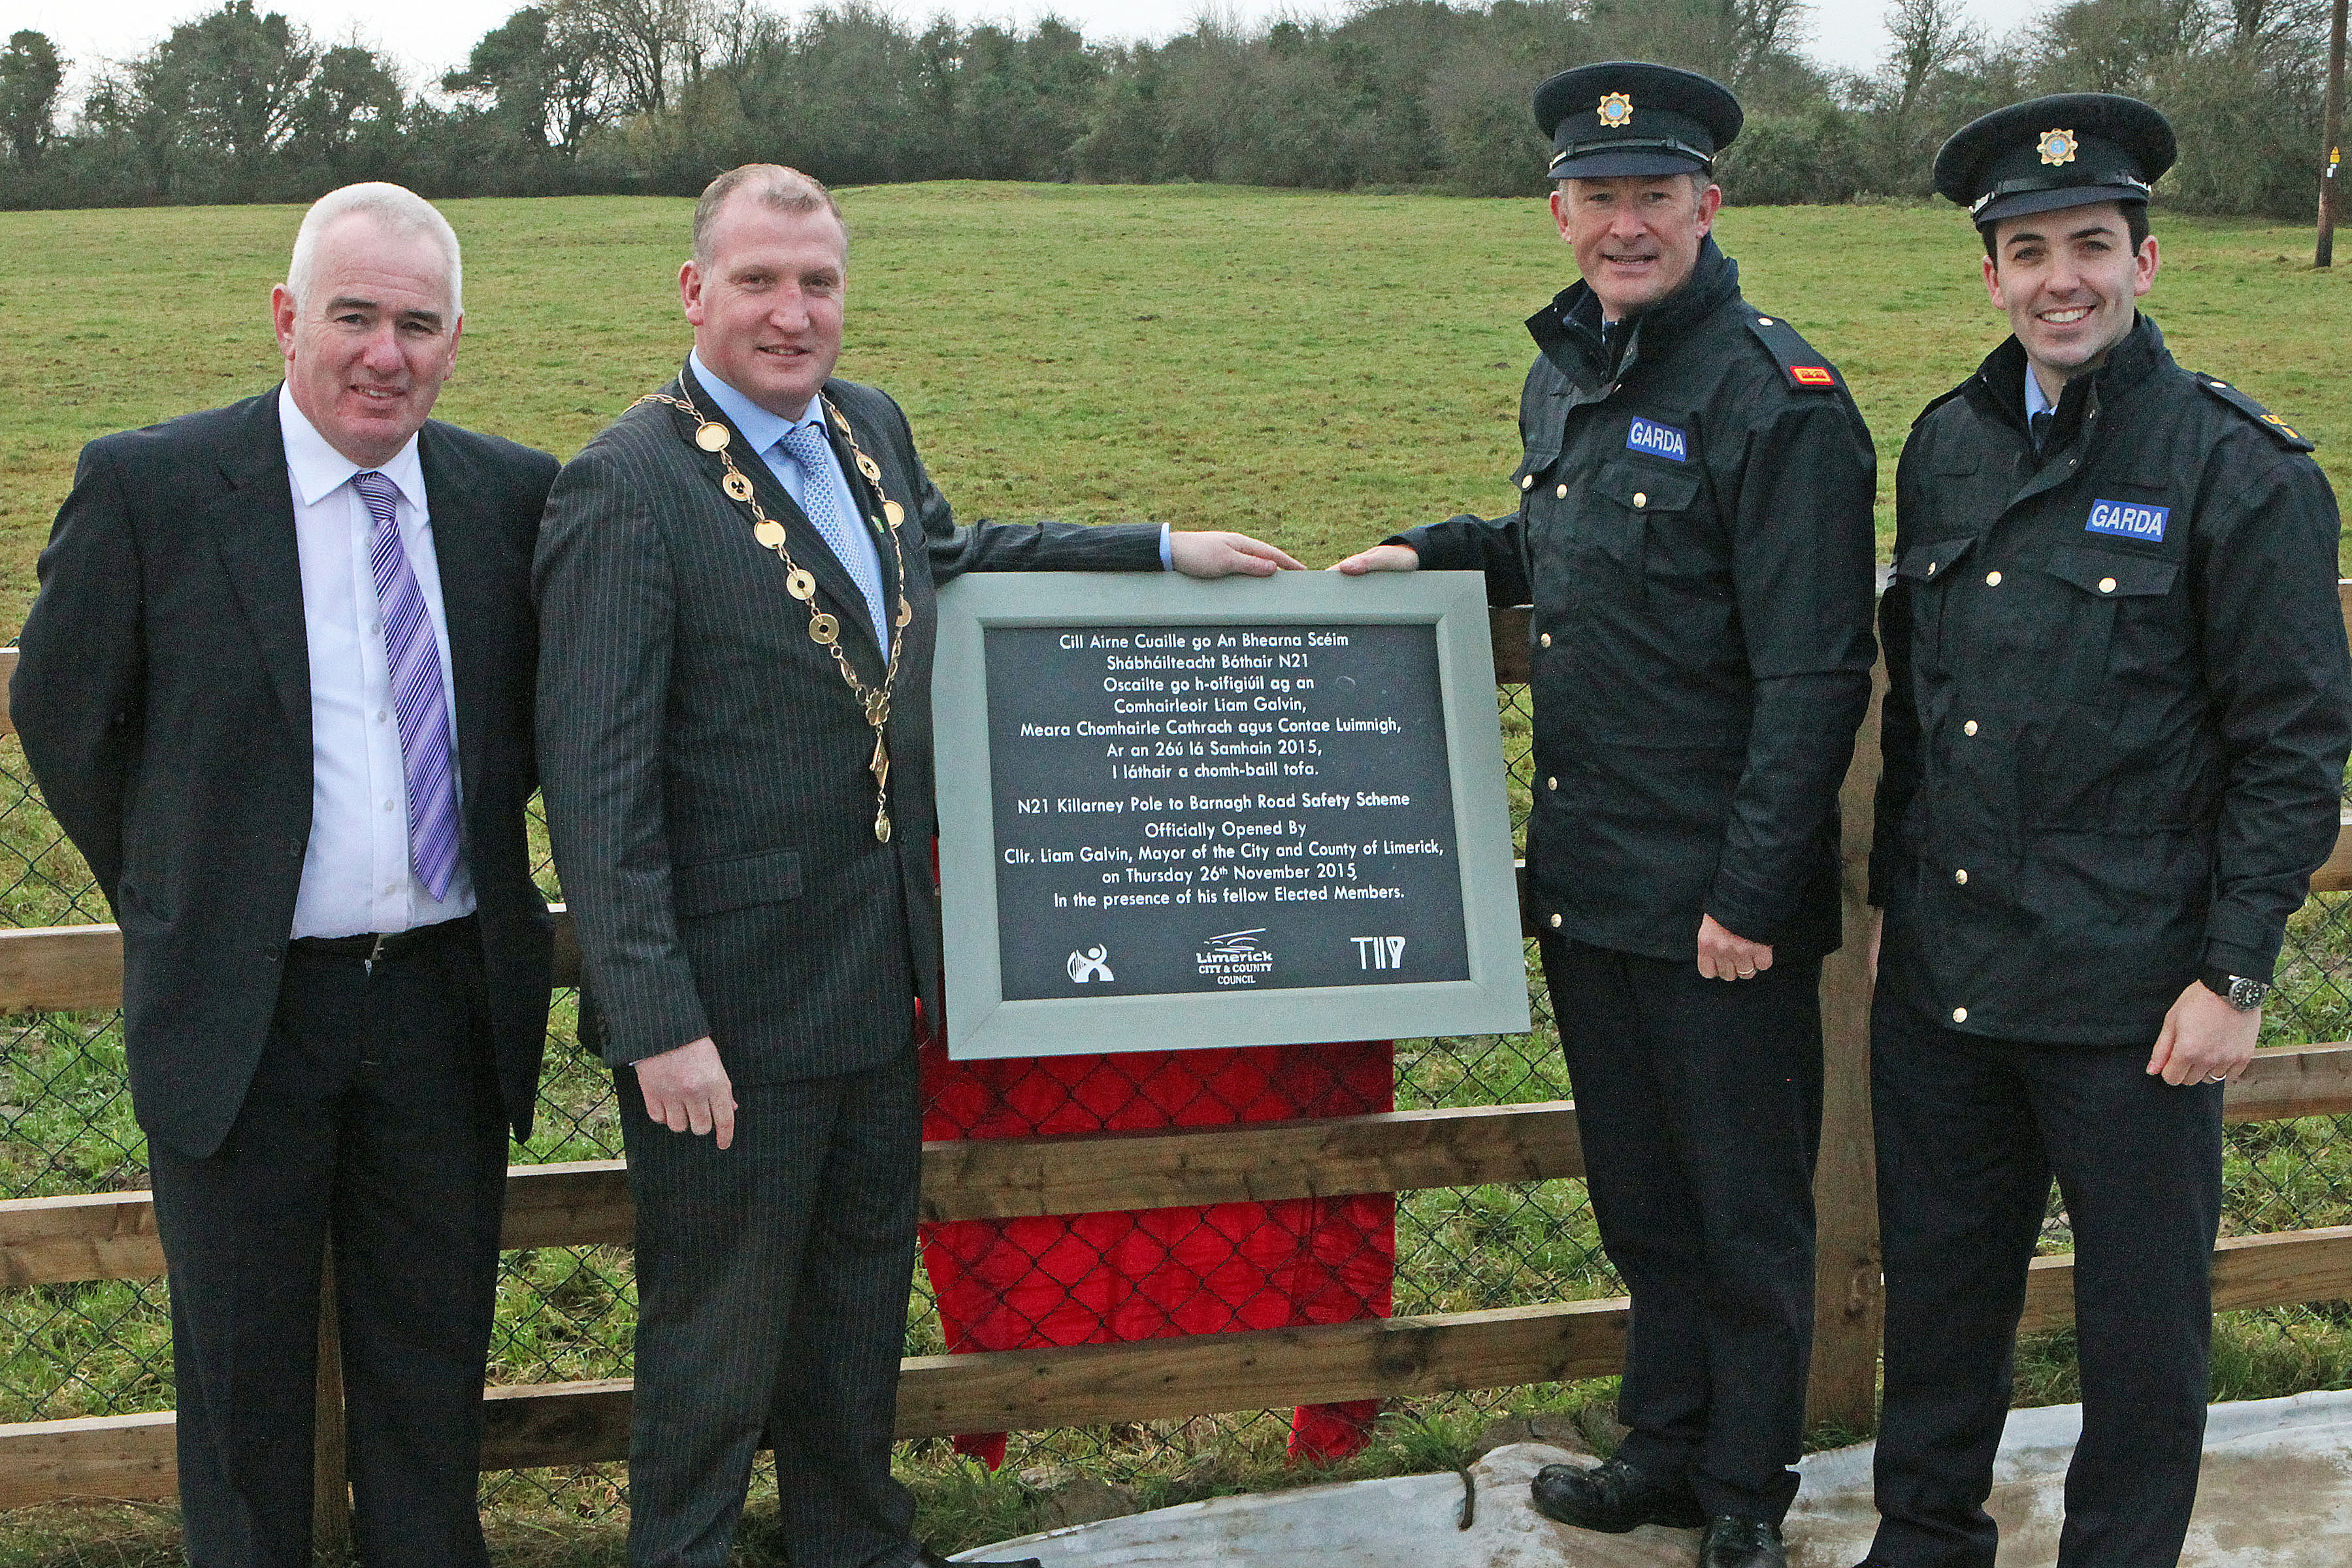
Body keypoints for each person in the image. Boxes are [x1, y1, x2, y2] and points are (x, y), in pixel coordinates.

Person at [532, 163, 1299, 1568]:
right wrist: (659, 1026)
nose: (791, 312)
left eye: (816, 282)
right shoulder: (623, 485)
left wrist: (1157, 549)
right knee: (714, 1340)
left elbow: (950, 555)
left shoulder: (866, 426)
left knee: (851, 1312)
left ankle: (851, 1543)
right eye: (758, 281)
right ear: (694, 292)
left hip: (880, 977)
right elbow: (595, 788)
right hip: (727, 1012)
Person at [1333, 61, 1878, 1568]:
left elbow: (1816, 672)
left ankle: (1749, 1494)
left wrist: (1753, 896)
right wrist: (1432, 552)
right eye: (1601, 198)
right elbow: (1555, 531)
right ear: (1559, 208)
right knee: (1644, 1197)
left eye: (1656, 196)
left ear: (1711, 201)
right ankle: (1665, 1444)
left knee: (1750, 1214)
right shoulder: (1575, 366)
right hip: (1592, 876)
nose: (1626, 224)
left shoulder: (1783, 402)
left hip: (1721, 896)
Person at [10, 184, 559, 1567]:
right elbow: (65, 716)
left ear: (455, 339)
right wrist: (184, 883)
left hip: (441, 1009)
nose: (386, 353)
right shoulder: (153, 486)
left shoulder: (512, 498)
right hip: (241, 1014)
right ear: (285, 319)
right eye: (355, 316)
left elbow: (539, 727)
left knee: (430, 1384)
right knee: (246, 1407)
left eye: (418, 325)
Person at [1858, 94, 2352, 1568]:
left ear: (2149, 260)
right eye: (2027, 250)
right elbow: (1922, 707)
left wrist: (2236, 973)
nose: (2059, 278)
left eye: (2091, 244)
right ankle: (1923, 1540)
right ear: (1990, 276)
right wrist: (1894, 898)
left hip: (2135, 992)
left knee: (2143, 1323)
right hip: (1948, 975)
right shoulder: (1946, 445)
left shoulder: (2239, 472)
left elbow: (2293, 749)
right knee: (1943, 1293)